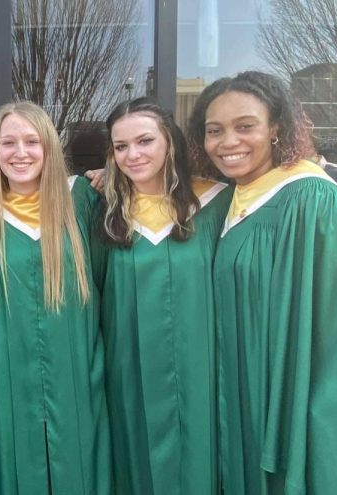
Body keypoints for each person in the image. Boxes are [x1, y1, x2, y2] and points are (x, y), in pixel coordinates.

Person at [186, 71, 337, 494]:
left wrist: (324, 424)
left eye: (245, 126)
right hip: (245, 404)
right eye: (214, 130)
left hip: (292, 409)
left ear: (276, 129)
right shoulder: (235, 199)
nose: (228, 142)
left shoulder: (312, 200)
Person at [0, 101, 111, 494]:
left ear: (49, 146)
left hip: (76, 366)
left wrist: (111, 172)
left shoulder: (81, 198)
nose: (20, 153)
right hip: (8, 372)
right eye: (8, 142)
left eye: (32, 141)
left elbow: (104, 275)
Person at [96, 98, 230, 495]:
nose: (132, 155)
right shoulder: (105, 210)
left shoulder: (218, 203)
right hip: (129, 369)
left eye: (144, 141)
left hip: (199, 368)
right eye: (121, 146)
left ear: (169, 142)